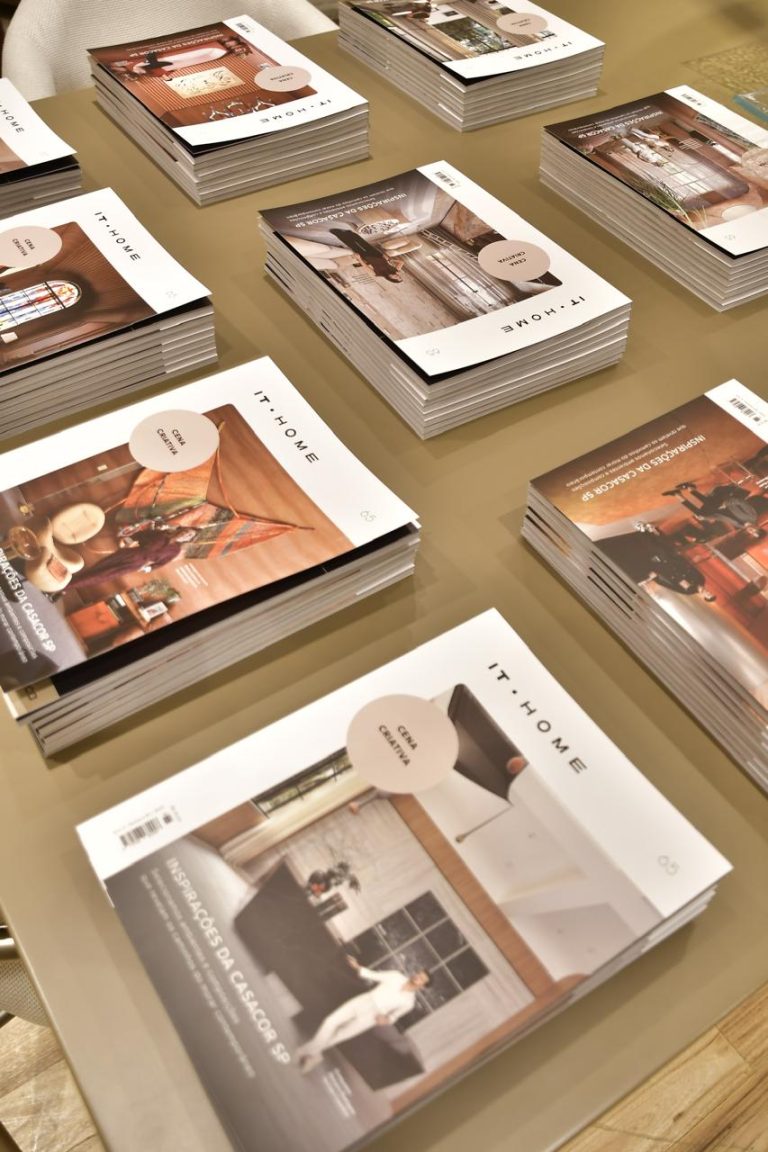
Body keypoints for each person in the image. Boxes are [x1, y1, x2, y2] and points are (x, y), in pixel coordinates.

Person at [297, 955, 430, 1072]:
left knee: (339, 1036)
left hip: (372, 1017)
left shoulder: (409, 1003)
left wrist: (386, 1020)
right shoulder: (396, 976)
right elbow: (373, 975)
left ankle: (309, 1053)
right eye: (418, 973)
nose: (417, 976)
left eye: (421, 978)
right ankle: (310, 1053)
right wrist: (356, 966)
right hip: (364, 1001)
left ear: (423, 987)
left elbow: (394, 1017)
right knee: (330, 1021)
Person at [66, 527, 197, 591]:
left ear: (188, 539)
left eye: (189, 535)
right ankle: (67, 581)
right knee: (99, 567)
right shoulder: (160, 533)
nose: (186, 534)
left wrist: (146, 568)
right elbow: (139, 535)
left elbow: (161, 563)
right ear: (182, 529)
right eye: (187, 531)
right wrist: (126, 541)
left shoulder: (175, 551)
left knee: (104, 575)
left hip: (137, 563)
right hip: (128, 553)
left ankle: (68, 586)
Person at [664, 481, 760, 533]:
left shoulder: (740, 526)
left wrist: (706, 518)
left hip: (716, 510)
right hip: (724, 501)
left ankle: (679, 493)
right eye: (754, 530)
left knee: (701, 515)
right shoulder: (753, 516)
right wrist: (725, 503)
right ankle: (687, 490)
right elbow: (741, 501)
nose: (750, 531)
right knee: (709, 505)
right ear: (757, 527)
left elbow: (722, 518)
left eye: (751, 533)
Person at [328, 227, 405, 283]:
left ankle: (338, 233)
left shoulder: (378, 274)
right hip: (378, 255)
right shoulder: (396, 270)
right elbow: (401, 262)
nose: (398, 276)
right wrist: (390, 260)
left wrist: (359, 259)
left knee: (353, 245)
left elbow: (366, 267)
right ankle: (350, 233)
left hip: (368, 258)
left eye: (397, 279)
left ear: (392, 279)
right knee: (363, 243)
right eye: (399, 277)